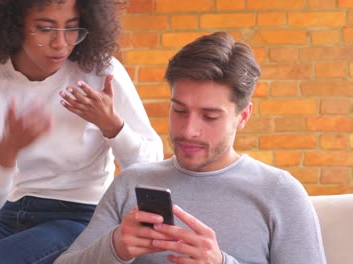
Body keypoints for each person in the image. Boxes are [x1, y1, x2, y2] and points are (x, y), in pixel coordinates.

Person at [54, 32, 326, 264]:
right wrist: (114, 247)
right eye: (179, 110)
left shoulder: (280, 193)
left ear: (243, 116)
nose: (188, 130)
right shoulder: (131, 182)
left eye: (209, 116)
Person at [0, 0, 164, 263]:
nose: (61, 43)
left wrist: (113, 126)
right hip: (13, 213)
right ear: (12, 26)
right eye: (45, 29)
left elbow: (152, 167)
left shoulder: (100, 72)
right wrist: (7, 149)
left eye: (72, 28)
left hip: (82, 216)